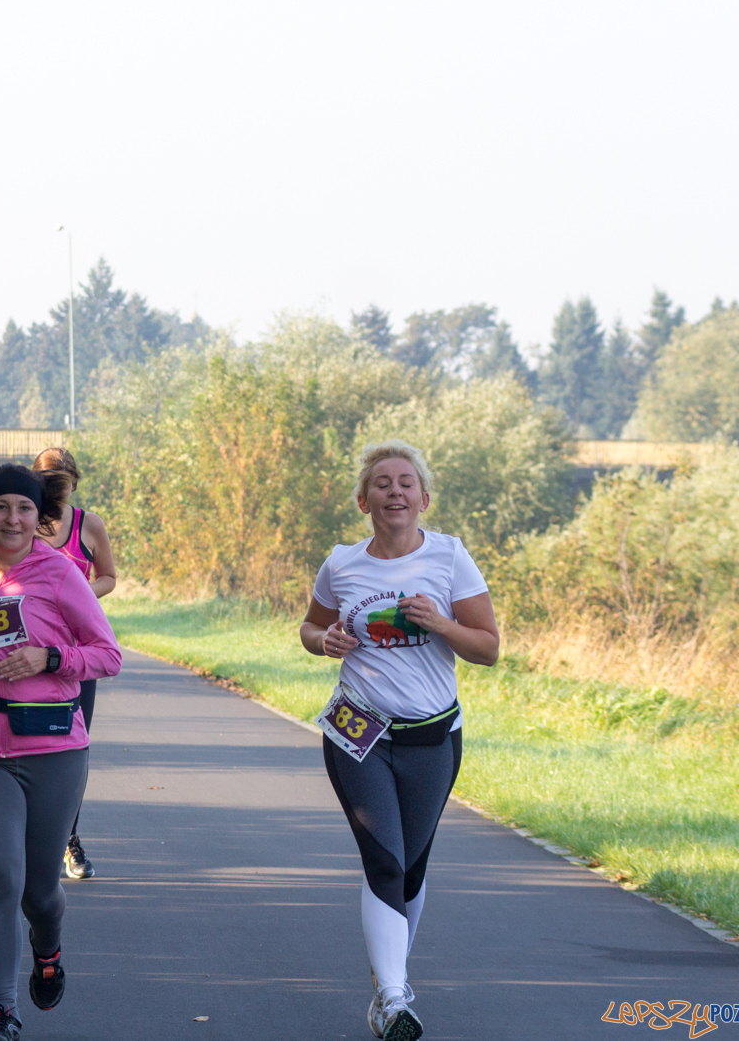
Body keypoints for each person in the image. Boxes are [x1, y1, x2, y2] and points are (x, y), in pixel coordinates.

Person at [299, 441, 499, 1041]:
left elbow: (489, 648)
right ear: (364, 501)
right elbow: (310, 626)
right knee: (383, 859)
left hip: (432, 738)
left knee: (410, 866)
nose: (394, 491)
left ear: (423, 498)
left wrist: (441, 623)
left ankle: (392, 985)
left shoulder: (449, 556)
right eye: (381, 483)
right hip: (358, 733)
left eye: (406, 482)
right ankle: (391, 998)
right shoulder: (342, 564)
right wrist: (325, 642)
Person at [0, 463, 122, 1041]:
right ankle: (3, 1010)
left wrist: (51, 658)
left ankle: (48, 950)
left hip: (52, 748)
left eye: (23, 508)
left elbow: (107, 655)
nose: (11, 519)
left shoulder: (60, 573)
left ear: (38, 517)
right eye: (0, 507)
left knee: (39, 891)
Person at [31, 447, 116, 882]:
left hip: (78, 655)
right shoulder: (22, 521)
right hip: (26, 654)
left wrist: (77, 595)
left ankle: (69, 838)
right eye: (48, 480)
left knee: (72, 747)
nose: (56, 488)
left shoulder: (89, 524)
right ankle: (28, 837)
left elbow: (108, 577)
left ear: (74, 483)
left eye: (62, 481)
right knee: (27, 744)